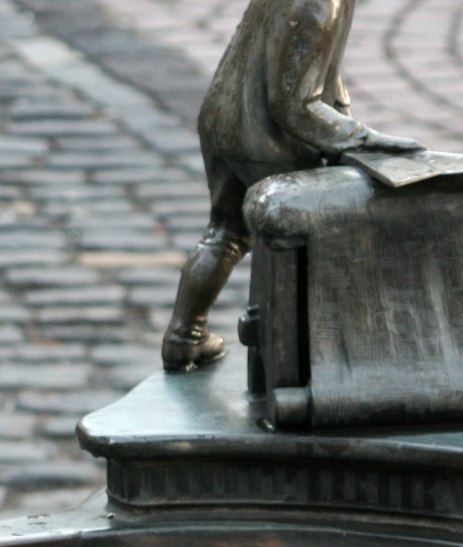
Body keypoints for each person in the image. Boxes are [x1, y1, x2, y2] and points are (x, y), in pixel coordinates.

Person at [164, 0, 425, 371]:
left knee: (226, 232)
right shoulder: (316, 7)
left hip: (225, 117)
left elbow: (321, 69)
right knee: (313, 235)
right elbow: (294, 106)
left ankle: (183, 338)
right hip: (263, 135)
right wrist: (359, 138)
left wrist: (347, 120)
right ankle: (306, 361)